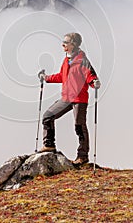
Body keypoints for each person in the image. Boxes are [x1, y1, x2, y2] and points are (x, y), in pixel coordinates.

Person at [38, 32, 101, 165]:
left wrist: (94, 82)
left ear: (74, 44)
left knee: (79, 126)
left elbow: (91, 75)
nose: (63, 44)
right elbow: (62, 76)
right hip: (66, 97)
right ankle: (49, 145)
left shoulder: (83, 61)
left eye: (66, 42)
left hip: (79, 99)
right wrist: (47, 78)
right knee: (47, 116)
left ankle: (82, 156)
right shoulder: (66, 60)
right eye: (63, 42)